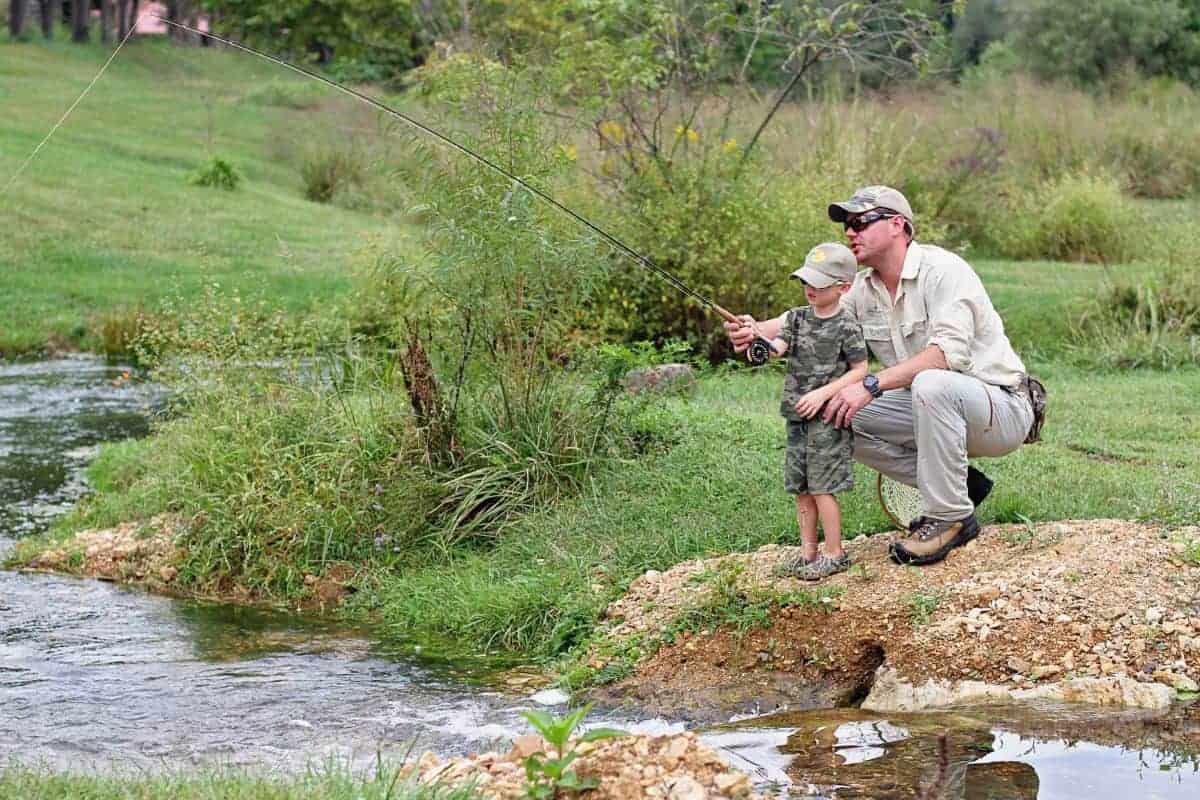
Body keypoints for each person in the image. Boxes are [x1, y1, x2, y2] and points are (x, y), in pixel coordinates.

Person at [728, 186, 1041, 566]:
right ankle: (959, 488)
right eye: (847, 225)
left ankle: (950, 518)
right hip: (932, 408)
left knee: (930, 380)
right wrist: (755, 329)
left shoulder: (944, 270)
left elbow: (945, 356)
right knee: (828, 412)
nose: (849, 232)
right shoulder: (864, 288)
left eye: (859, 222)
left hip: (1001, 408)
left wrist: (871, 384)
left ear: (897, 225)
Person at [763, 243, 868, 580]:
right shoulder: (795, 318)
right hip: (797, 416)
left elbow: (860, 370)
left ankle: (834, 553)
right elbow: (777, 348)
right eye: (807, 281)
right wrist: (759, 346)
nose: (810, 289)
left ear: (844, 287)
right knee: (802, 487)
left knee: (824, 486)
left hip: (827, 418)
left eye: (820, 284)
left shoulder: (846, 325)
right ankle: (808, 553)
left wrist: (824, 394)